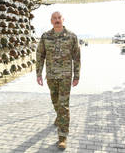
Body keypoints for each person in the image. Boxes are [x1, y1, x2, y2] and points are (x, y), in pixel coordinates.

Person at [36, 11, 81, 149]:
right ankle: (59, 117)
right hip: (51, 76)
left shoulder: (72, 36)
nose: (57, 20)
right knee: (55, 102)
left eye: (59, 18)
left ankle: (62, 136)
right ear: (51, 21)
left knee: (63, 105)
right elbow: (40, 55)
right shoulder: (45, 37)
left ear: (63, 19)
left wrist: (76, 75)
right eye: (54, 18)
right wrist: (38, 73)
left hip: (65, 77)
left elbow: (77, 57)